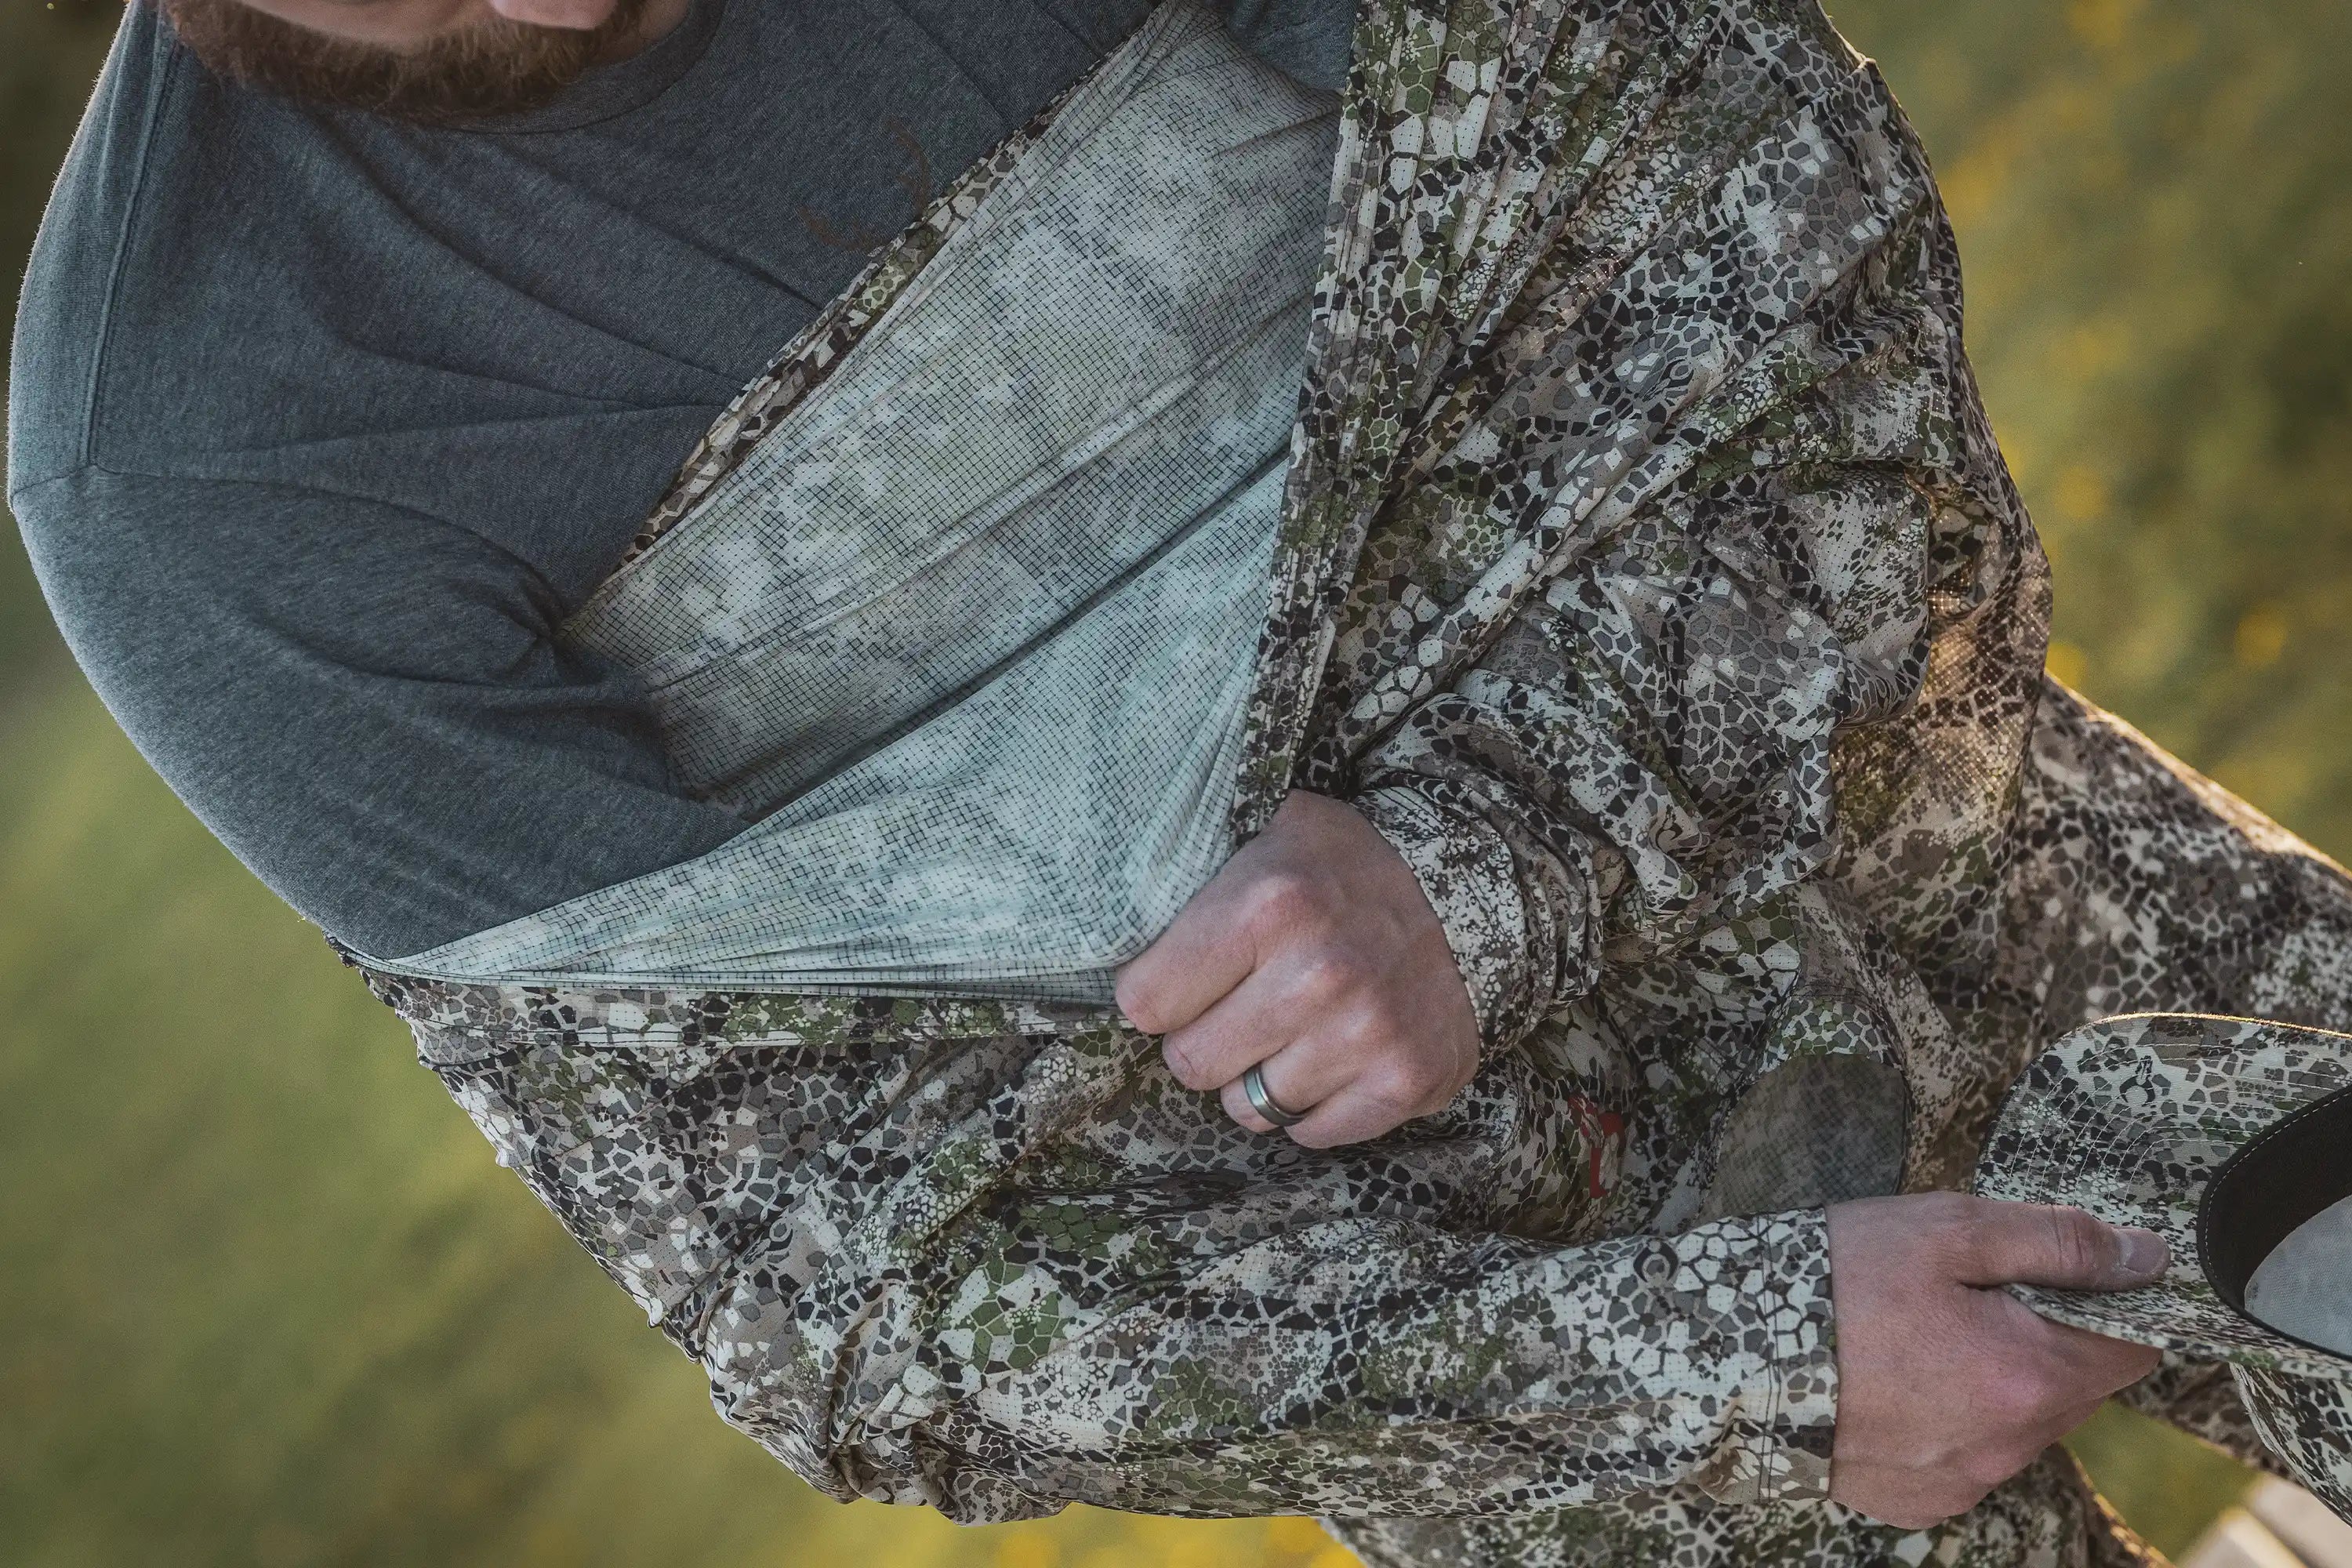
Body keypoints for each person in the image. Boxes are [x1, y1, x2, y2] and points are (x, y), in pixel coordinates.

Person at [13, 0, 2351, 1563]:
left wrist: (1476, 871)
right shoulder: (203, 465)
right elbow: (850, 1274)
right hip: (1536, 1372)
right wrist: (1713, 1383)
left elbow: (1751, 205)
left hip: (1983, 884)